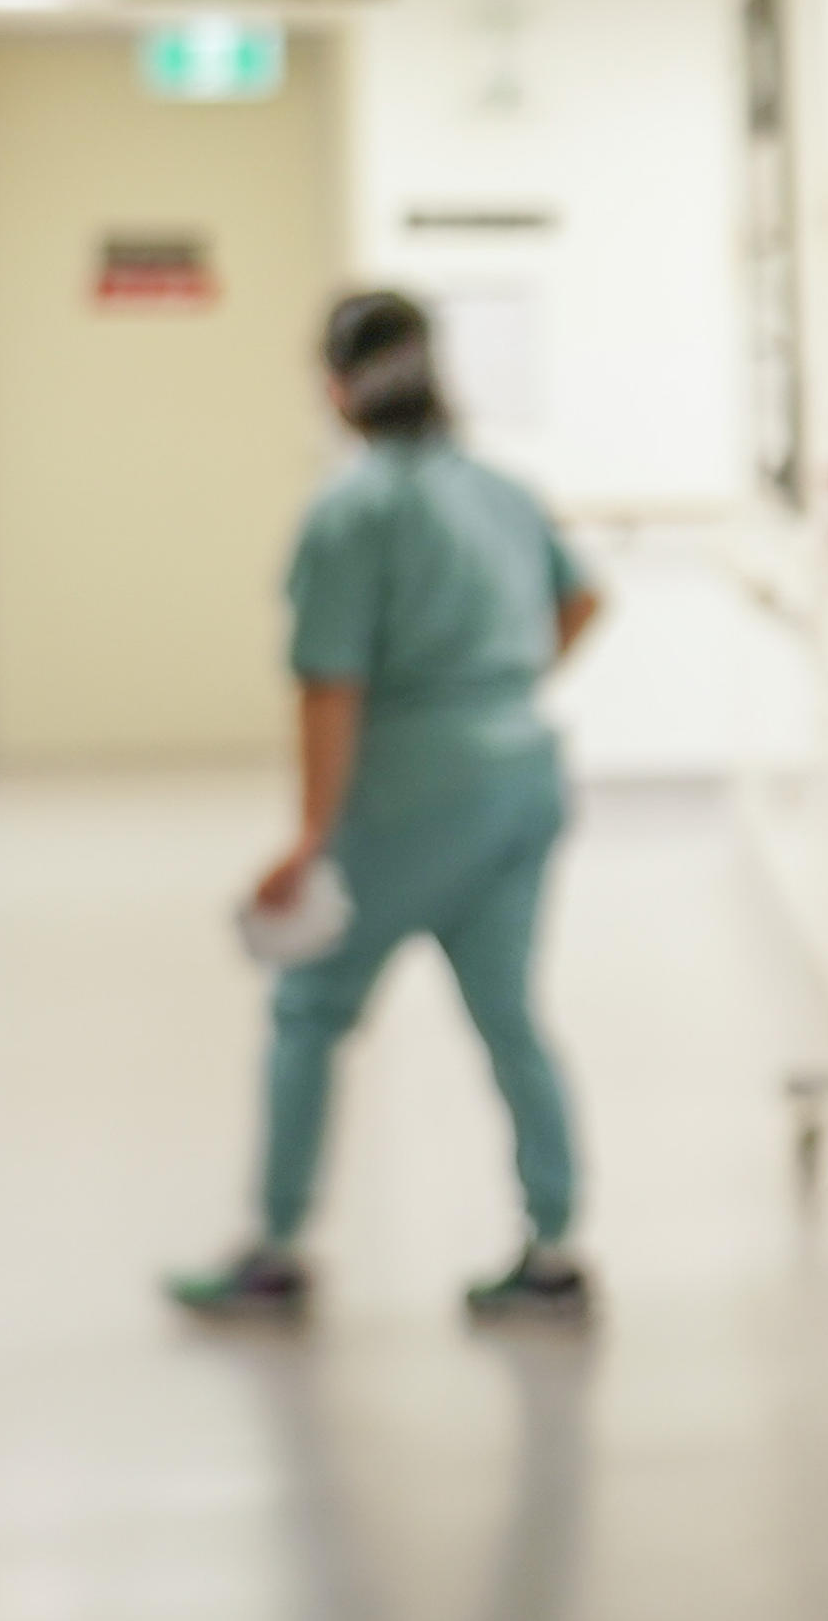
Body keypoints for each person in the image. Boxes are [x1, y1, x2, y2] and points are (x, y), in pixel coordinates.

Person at [170, 290, 604, 1324]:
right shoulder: (500, 489)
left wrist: (310, 840)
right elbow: (582, 598)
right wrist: (499, 683)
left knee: (309, 1009)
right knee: (509, 1016)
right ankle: (552, 1249)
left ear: (333, 388)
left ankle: (275, 1243)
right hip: (525, 776)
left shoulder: (349, 510)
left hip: (413, 790)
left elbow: (330, 685)